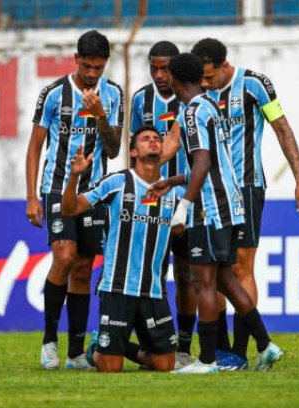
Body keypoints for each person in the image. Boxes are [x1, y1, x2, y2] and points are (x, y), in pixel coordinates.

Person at [190, 38, 299, 368]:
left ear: (225, 67)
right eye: (200, 78)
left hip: (246, 187)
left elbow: (282, 129)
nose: (204, 84)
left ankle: (241, 352)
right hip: (208, 192)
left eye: (210, 77)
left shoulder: (255, 85)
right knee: (213, 271)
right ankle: (220, 352)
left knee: (241, 267)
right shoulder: (195, 94)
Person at [159, 53, 282, 374]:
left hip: (209, 208)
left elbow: (202, 162)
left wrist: (183, 206)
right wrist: (172, 180)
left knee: (205, 284)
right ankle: (266, 345)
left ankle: (209, 361)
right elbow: (214, 161)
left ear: (176, 78)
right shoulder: (212, 105)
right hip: (231, 204)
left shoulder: (192, 111)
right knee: (225, 279)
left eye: (168, 74)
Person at [25, 29, 124, 370]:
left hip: (94, 191)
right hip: (57, 187)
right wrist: (30, 196)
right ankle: (49, 341)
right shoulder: (53, 94)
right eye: (87, 66)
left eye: (98, 67)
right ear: (76, 60)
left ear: (105, 64)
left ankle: (75, 354)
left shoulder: (113, 94)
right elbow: (36, 145)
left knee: (83, 268)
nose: (92, 73)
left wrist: (100, 115)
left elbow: (113, 149)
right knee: (64, 256)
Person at [62, 126, 182, 372]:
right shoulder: (117, 182)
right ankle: (101, 349)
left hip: (154, 290)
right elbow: (69, 209)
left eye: (157, 139)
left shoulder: (175, 191)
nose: (153, 142)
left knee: (166, 366)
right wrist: (74, 176)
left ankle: (119, 346)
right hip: (117, 288)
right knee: (110, 368)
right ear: (134, 152)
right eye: (146, 139)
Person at [130, 41, 195, 369]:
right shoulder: (141, 99)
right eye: (154, 68)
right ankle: (156, 344)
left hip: (184, 200)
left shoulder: (191, 102)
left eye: (165, 68)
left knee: (186, 275)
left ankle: (183, 345)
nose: (159, 75)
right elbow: (134, 153)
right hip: (149, 203)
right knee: (154, 274)